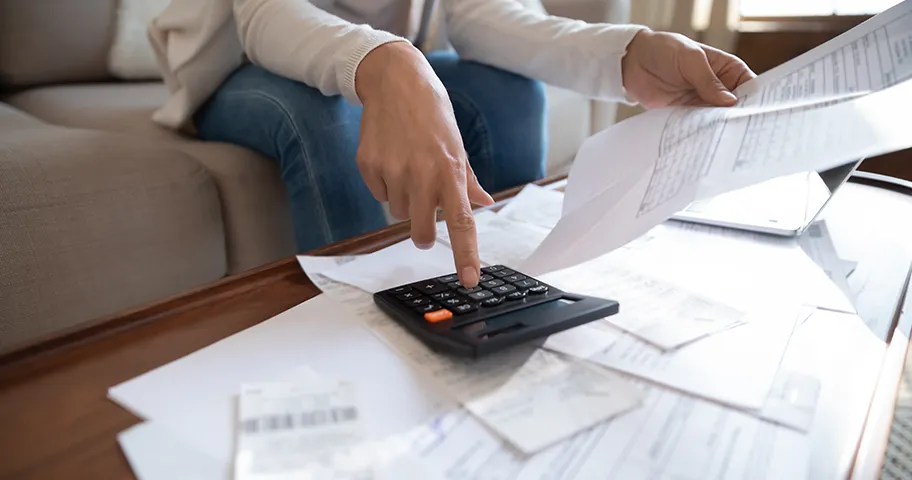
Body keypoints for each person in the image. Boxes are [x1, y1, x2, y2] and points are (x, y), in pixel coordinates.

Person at [147, 0, 756, 288]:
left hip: (374, 52)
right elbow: (265, 19)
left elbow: (485, 15)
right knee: (322, 110)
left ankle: (513, 286)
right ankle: (359, 317)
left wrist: (628, 53)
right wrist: (385, 63)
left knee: (507, 91)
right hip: (238, 63)